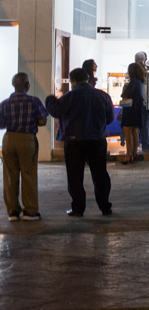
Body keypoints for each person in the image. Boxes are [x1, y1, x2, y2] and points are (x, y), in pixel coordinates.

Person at [45, 68, 115, 217]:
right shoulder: (102, 95)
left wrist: (50, 100)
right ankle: (105, 206)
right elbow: (110, 118)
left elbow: (56, 111)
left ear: (73, 81)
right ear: (88, 78)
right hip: (97, 140)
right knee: (100, 174)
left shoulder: (69, 97)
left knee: (75, 176)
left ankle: (78, 209)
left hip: (74, 141)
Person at [1, 73, 49, 221]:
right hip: (27, 139)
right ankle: (30, 212)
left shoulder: (5, 103)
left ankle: (13, 212)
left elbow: (1, 124)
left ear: (13, 86)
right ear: (27, 85)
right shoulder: (34, 101)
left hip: (9, 139)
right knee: (28, 175)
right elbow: (42, 121)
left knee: (10, 177)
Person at [119, 62, 146, 165]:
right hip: (137, 107)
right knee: (135, 131)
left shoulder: (133, 81)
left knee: (127, 130)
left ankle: (128, 155)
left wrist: (124, 91)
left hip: (130, 108)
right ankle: (134, 153)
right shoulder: (140, 81)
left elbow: (124, 94)